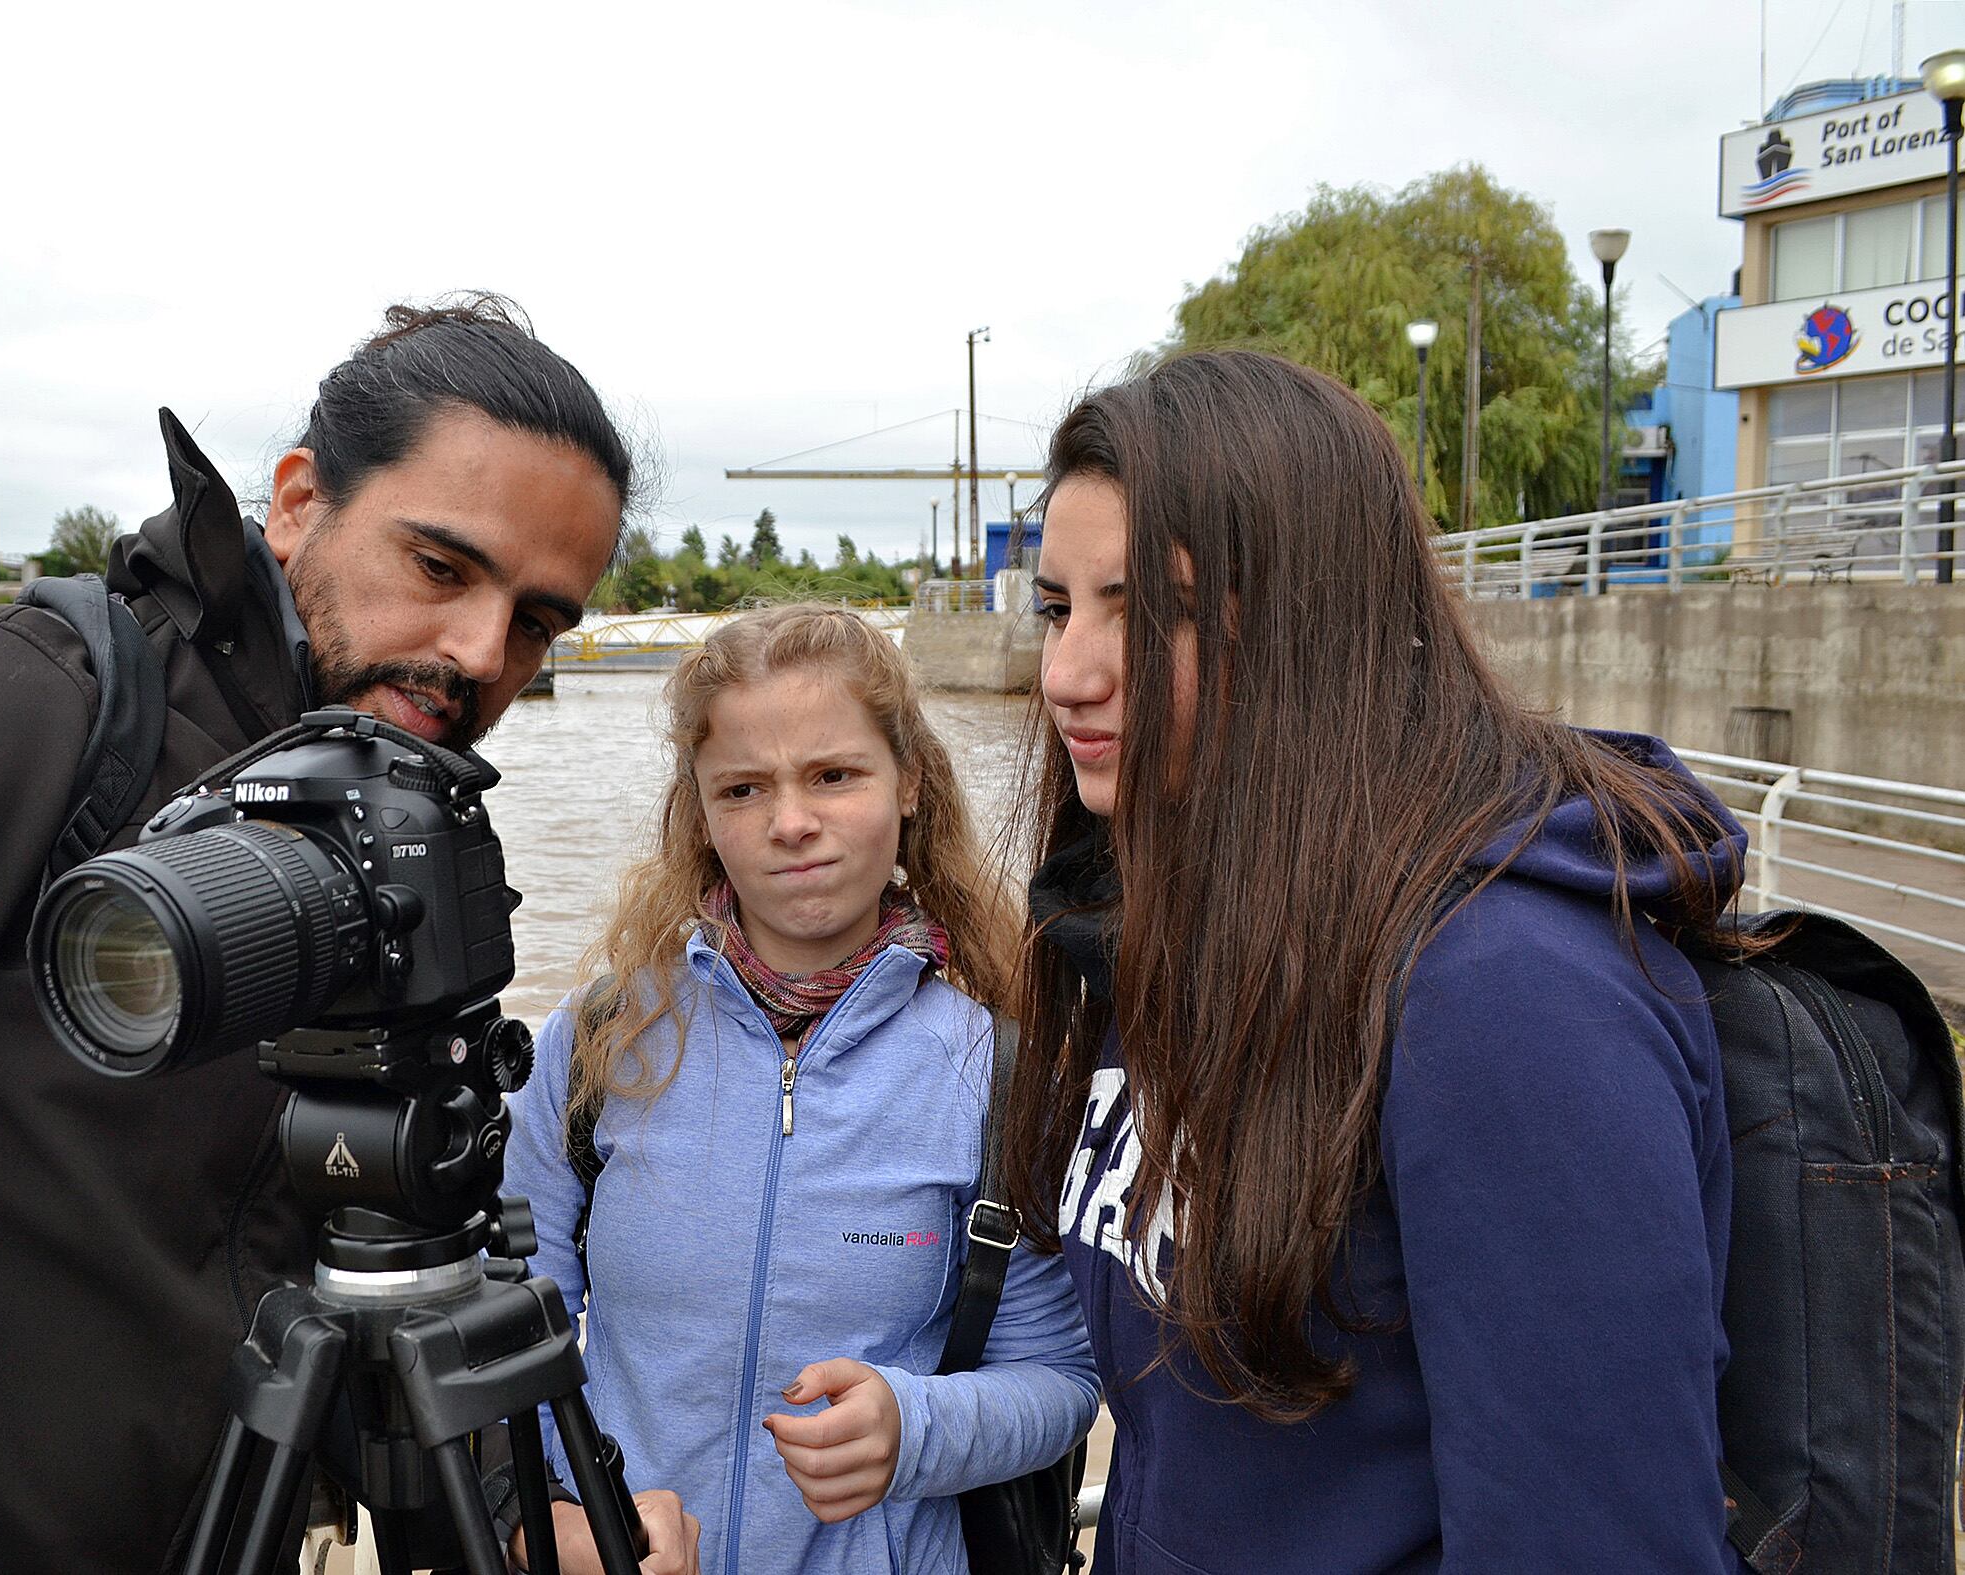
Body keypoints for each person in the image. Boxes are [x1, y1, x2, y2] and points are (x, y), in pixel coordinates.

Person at [0, 295, 704, 1573]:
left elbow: (327, 1277)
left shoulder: (396, 825)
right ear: (297, 503)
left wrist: (519, 1522)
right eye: (441, 568)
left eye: (536, 620)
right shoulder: (7, 711)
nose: (479, 653)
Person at [1006, 349, 1749, 1574]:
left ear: (1318, 624)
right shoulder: (1167, 931)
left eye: (1155, 610)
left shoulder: (1508, 1002)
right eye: (1057, 606)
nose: (1067, 675)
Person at [498, 603, 1099, 1575]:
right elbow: (507, 1336)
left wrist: (915, 1428)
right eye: (743, 788)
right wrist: (559, 1521)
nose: (790, 822)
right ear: (700, 813)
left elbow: (1060, 1379)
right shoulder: (598, 1048)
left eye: (833, 775)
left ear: (907, 783)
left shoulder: (1001, 1074)